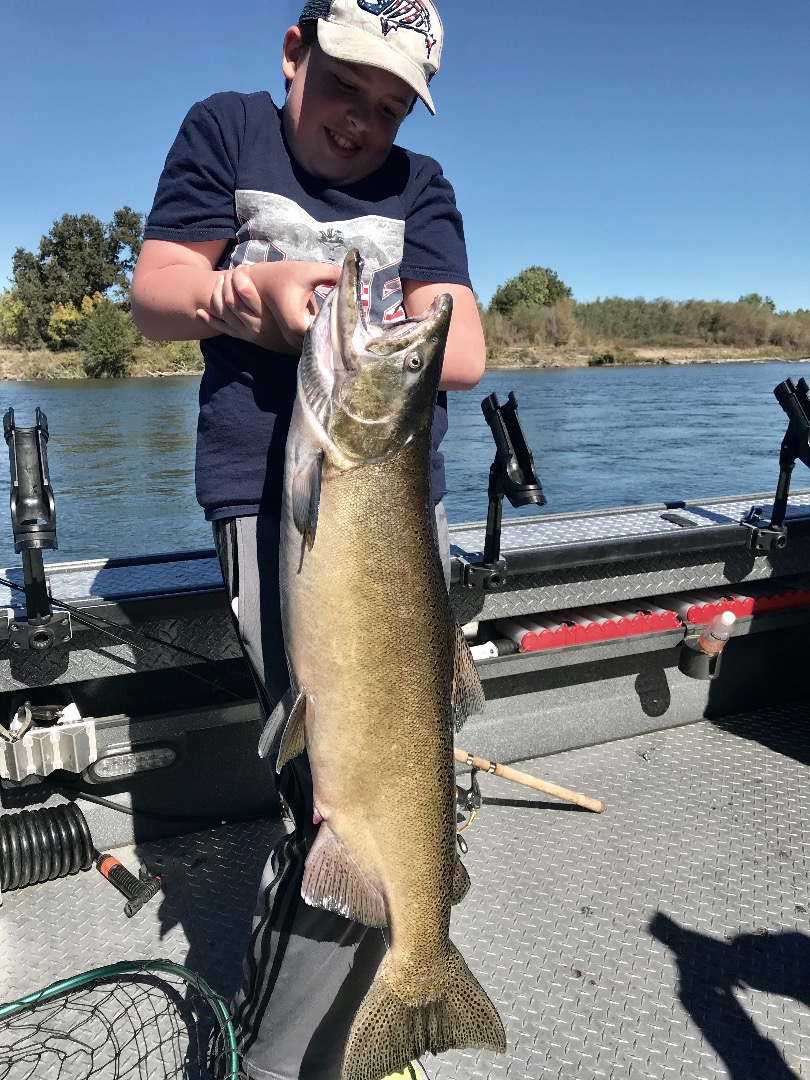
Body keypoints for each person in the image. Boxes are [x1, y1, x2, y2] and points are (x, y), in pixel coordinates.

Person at [131, 2, 485, 1078]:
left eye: (389, 107)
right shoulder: (225, 130)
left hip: (387, 508)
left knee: (408, 772)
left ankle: (392, 1000)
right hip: (265, 498)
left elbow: (460, 348)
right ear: (294, 53)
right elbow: (153, 293)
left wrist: (380, 330)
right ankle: (287, 1061)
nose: (361, 122)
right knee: (318, 794)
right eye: (344, 89)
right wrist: (249, 299)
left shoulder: (418, 187)